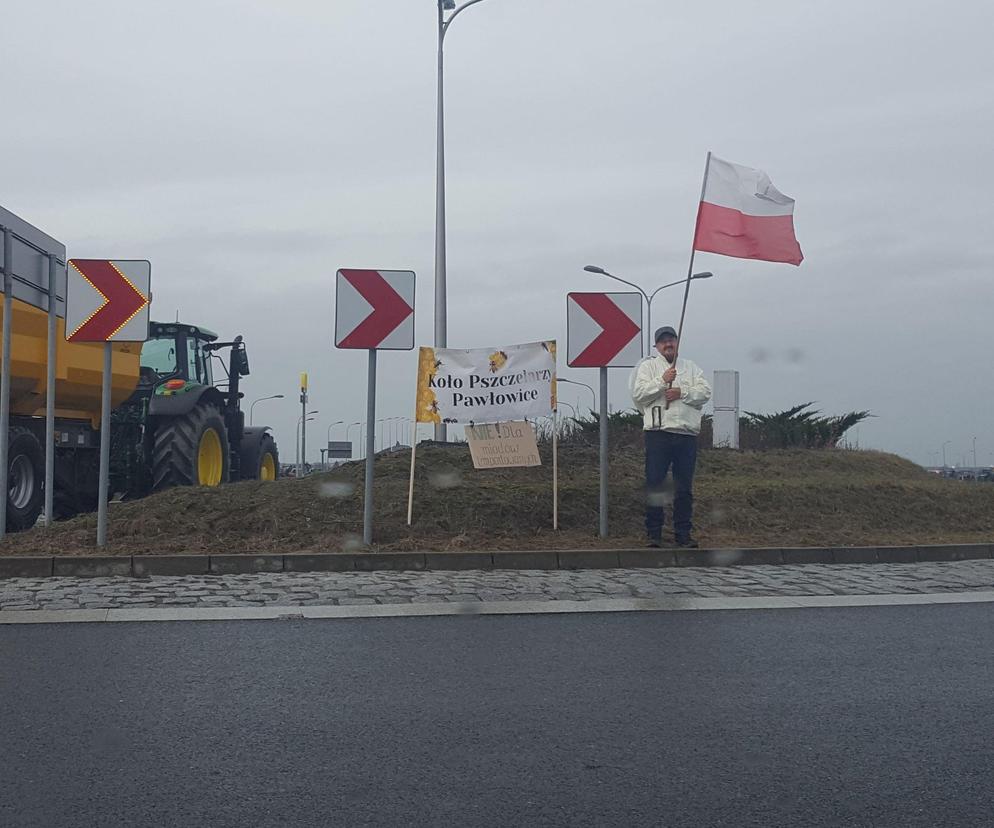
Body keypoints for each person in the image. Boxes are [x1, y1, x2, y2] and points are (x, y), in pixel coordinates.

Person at [631, 326, 712, 548]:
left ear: (677, 342)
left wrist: (682, 393)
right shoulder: (648, 368)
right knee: (655, 483)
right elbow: (638, 394)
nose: (668, 344)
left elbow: (704, 393)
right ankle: (654, 534)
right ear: (656, 346)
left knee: (684, 487)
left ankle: (683, 534)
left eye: (672, 340)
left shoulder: (692, 368)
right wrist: (661, 381)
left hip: (686, 434)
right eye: (663, 341)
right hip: (658, 433)